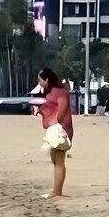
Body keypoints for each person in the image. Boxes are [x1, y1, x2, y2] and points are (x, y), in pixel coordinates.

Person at [36, 68, 74, 198]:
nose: (39, 82)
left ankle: (57, 192)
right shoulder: (50, 92)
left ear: (47, 79)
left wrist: (46, 113)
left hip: (62, 130)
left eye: (40, 79)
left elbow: (61, 112)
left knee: (58, 160)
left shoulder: (60, 92)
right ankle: (57, 190)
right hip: (56, 129)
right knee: (55, 159)